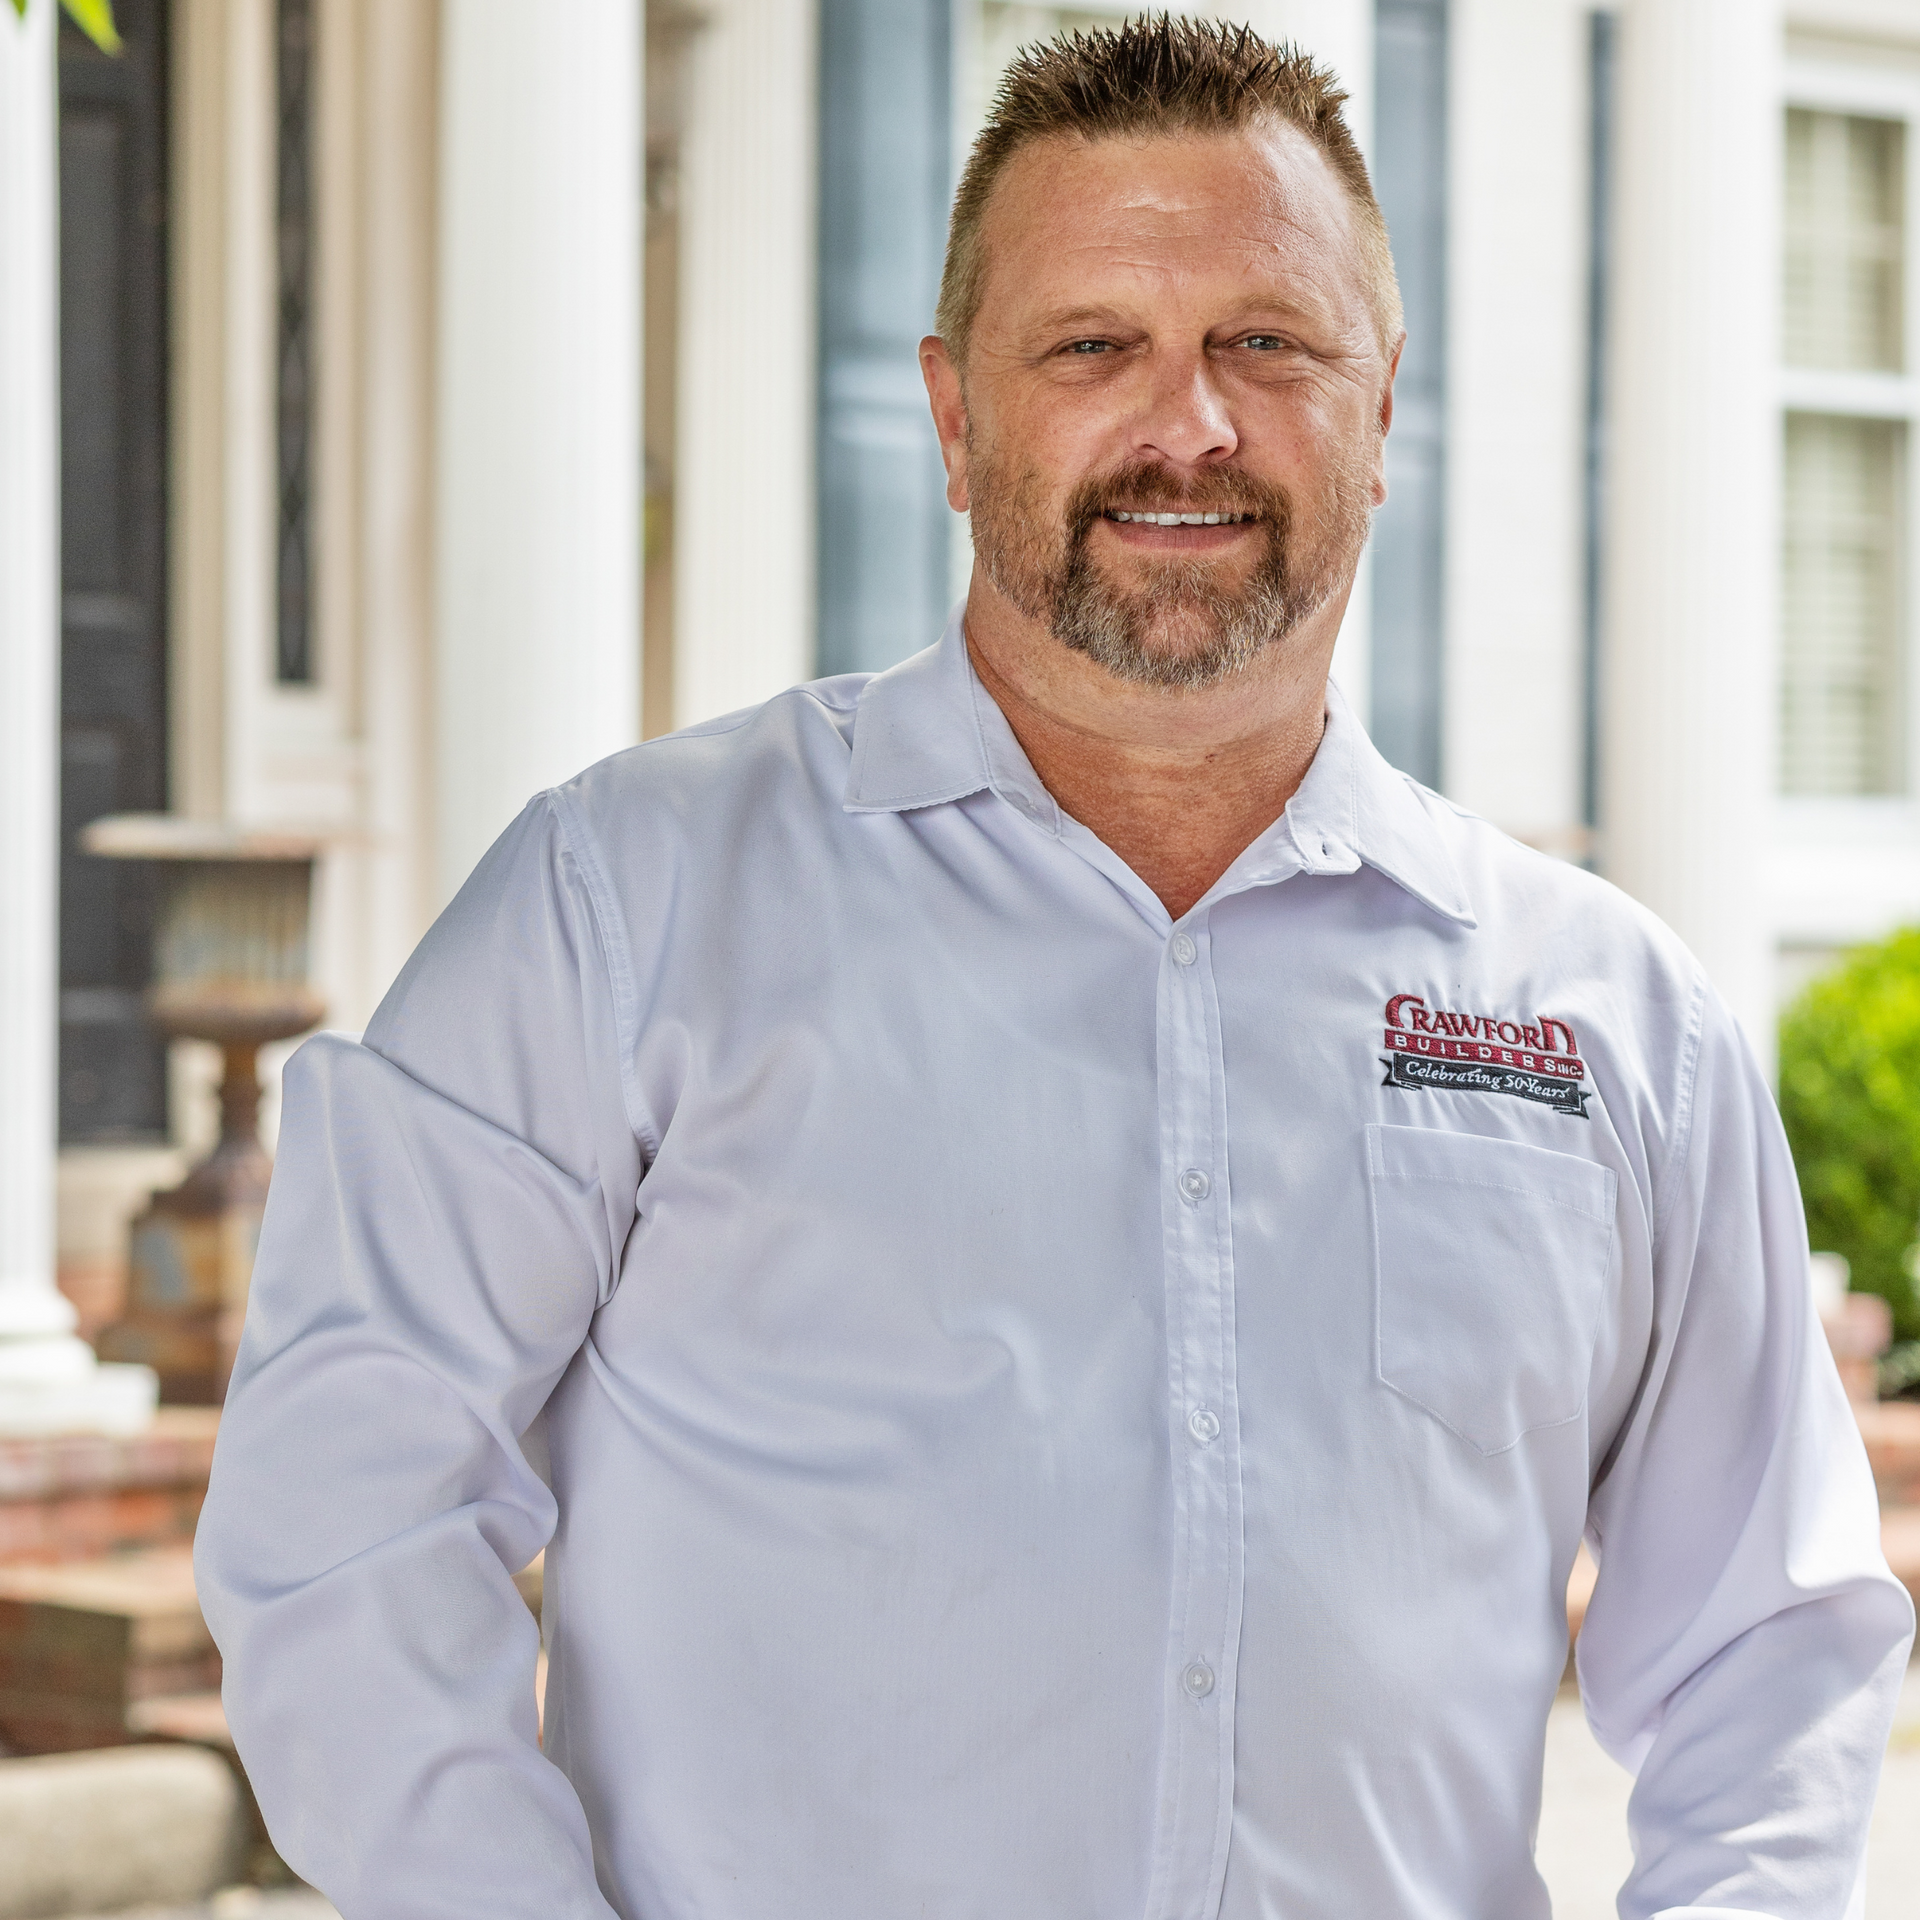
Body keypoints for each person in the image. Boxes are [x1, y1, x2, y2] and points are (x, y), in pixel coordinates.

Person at [195, 19, 1913, 1919]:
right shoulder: (627, 911)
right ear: (954, 417)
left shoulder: (1610, 1019)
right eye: (1094, 346)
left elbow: (1772, 1638)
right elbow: (343, 1515)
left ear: (1384, 404)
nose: (1189, 424)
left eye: (1267, 342)